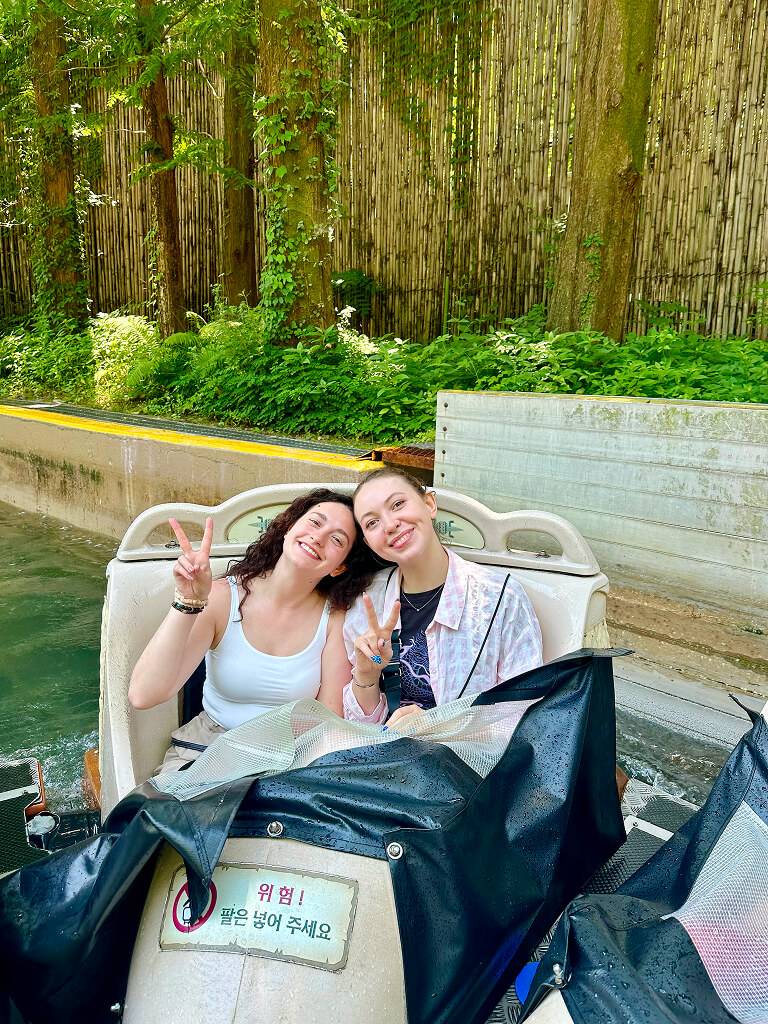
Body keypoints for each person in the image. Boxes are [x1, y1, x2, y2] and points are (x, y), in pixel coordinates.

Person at [129, 488, 375, 771]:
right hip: (209, 749)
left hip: (289, 758)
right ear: (288, 528)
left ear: (339, 567)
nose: (318, 537)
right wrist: (188, 601)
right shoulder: (222, 597)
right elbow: (143, 695)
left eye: (337, 539)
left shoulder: (335, 618)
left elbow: (329, 718)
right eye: (315, 522)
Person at [343, 469, 543, 725]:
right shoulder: (368, 602)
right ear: (369, 542)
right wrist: (367, 675)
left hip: (468, 749)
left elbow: (524, 713)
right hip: (387, 748)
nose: (390, 525)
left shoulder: (499, 598)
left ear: (429, 504)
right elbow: (358, 729)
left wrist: (438, 725)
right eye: (372, 523)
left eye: (398, 504)